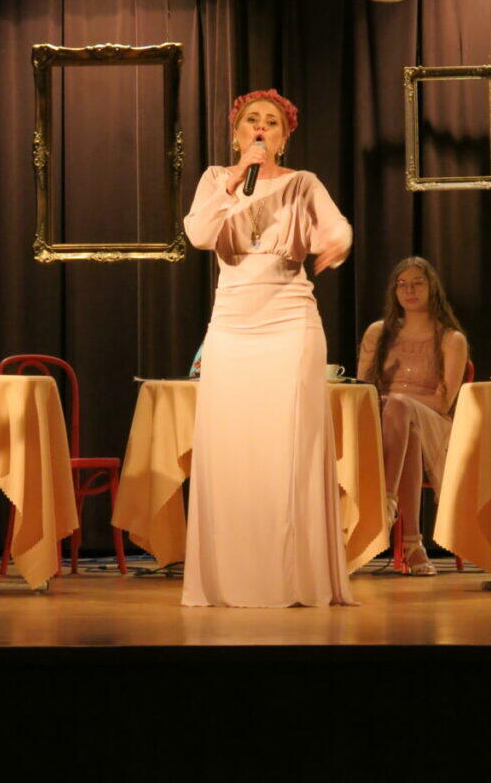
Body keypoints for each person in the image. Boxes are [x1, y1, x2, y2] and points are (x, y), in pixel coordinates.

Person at [182, 88, 354, 607]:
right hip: (232, 322)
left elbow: (337, 227)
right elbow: (199, 234)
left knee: (289, 449)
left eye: (272, 122)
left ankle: (294, 578)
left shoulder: (303, 183)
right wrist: (237, 178)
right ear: (236, 134)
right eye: (251, 120)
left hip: (289, 320)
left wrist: (338, 240)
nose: (261, 127)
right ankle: (232, 578)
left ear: (283, 138)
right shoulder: (216, 179)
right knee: (231, 450)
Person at [357, 257, 468, 576]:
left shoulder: (451, 338)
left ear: (433, 288)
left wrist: (400, 402)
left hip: (434, 422)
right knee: (404, 421)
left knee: (403, 410)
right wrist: (393, 405)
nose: (410, 290)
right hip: (384, 420)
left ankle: (385, 504)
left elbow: (443, 402)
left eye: (418, 283)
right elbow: (363, 389)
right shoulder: (378, 332)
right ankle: (412, 544)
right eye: (402, 285)